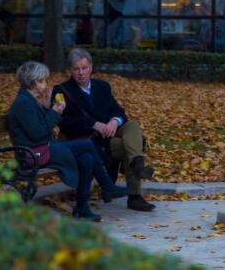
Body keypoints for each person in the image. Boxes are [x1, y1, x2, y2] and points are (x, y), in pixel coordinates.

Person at [8, 61, 129, 221]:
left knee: (87, 158)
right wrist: (54, 112)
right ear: (34, 82)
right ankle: (107, 186)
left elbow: (40, 127)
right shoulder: (23, 103)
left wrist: (46, 108)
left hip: (42, 149)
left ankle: (82, 207)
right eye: (43, 80)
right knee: (86, 144)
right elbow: (38, 134)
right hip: (32, 154)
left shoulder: (29, 100)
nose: (45, 84)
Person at [52, 48, 156, 212]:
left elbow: (118, 110)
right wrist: (94, 124)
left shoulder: (102, 86)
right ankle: (135, 195)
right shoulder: (61, 91)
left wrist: (114, 122)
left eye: (84, 68)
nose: (81, 73)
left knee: (133, 126)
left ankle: (138, 164)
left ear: (91, 67)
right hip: (89, 140)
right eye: (76, 69)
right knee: (129, 146)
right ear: (70, 70)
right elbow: (65, 124)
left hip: (110, 133)